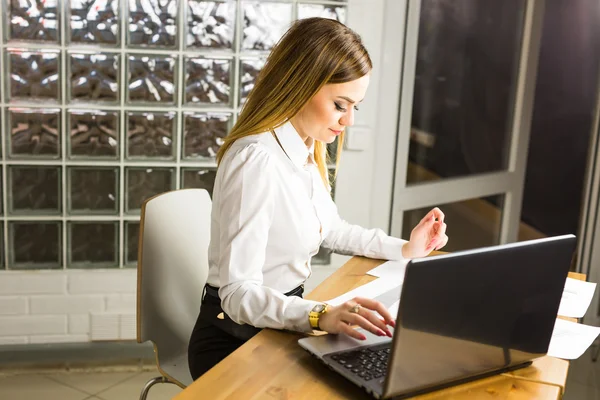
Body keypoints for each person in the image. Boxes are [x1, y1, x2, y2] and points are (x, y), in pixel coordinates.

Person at [188, 17, 449, 380]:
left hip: (280, 324)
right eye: (341, 105)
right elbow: (237, 294)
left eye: (355, 106)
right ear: (299, 85)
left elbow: (329, 229)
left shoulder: (303, 149)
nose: (349, 121)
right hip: (233, 340)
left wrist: (406, 249)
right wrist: (318, 314)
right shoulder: (257, 161)